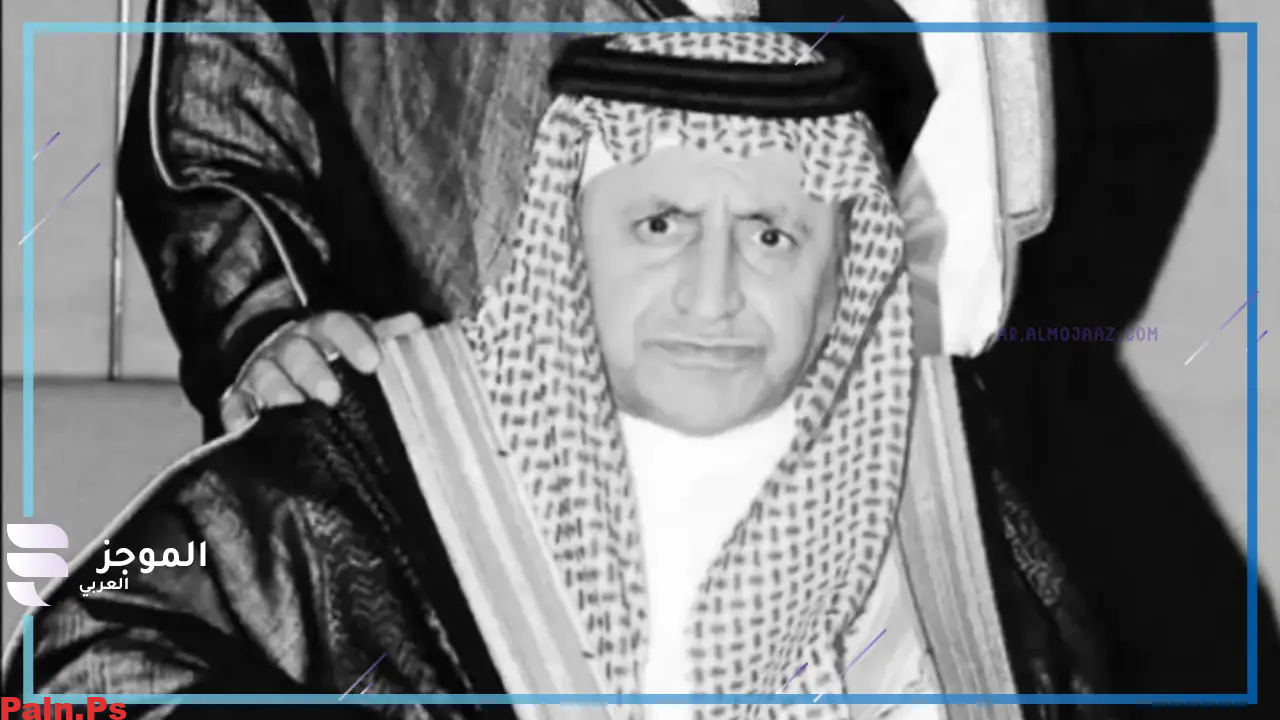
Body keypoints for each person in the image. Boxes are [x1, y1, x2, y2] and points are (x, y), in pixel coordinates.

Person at [4, 24, 1136, 719]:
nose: (710, 295)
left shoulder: (941, 501)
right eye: (658, 226)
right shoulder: (361, 458)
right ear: (561, 233)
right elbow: (65, 680)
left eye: (771, 236)